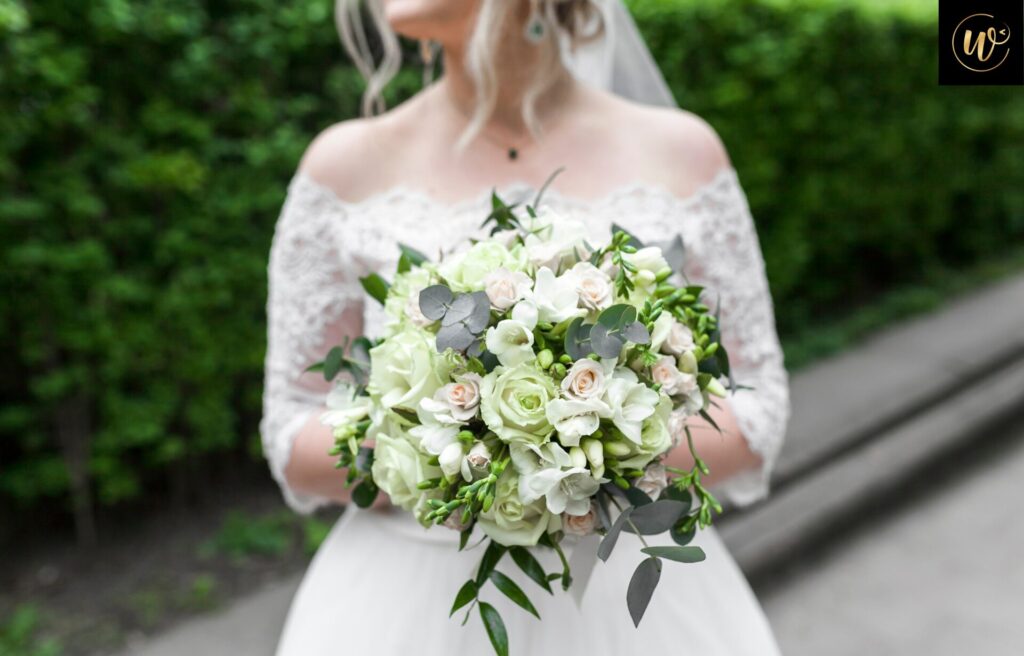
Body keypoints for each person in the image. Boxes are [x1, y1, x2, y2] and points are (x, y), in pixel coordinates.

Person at [261, 0, 790, 653]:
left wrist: (589, 459)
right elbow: (289, 427)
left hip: (638, 612)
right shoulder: (342, 166)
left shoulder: (682, 151)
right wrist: (457, 454)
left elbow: (759, 407)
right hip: (407, 607)